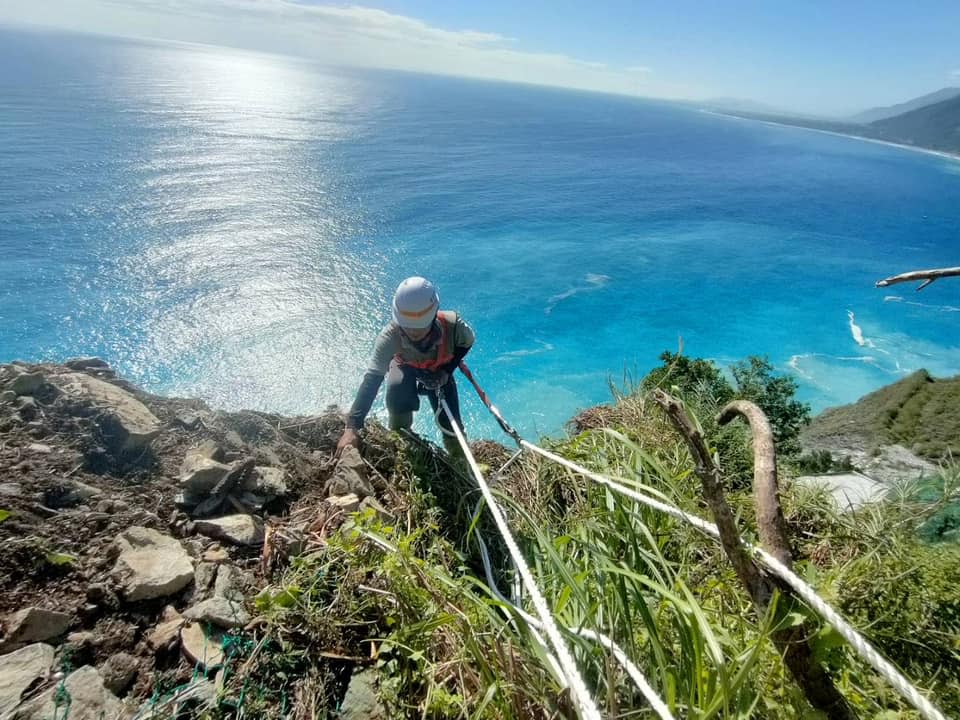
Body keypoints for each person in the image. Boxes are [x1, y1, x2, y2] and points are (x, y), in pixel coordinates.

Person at [336, 276, 475, 457]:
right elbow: (372, 379)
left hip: (439, 369)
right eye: (407, 327)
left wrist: (446, 371)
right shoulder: (389, 337)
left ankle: (460, 458)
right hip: (405, 367)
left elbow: (466, 343)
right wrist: (352, 428)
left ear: (433, 316)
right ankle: (401, 441)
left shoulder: (454, 326)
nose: (413, 332)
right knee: (396, 392)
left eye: (419, 327)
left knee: (451, 424)